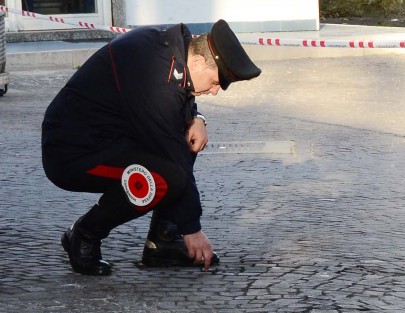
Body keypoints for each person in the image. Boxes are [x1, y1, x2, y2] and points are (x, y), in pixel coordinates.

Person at [41, 19, 261, 275]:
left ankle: (163, 242)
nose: (214, 92)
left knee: (185, 140)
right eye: (215, 82)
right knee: (161, 179)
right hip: (72, 150)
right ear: (200, 62)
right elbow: (170, 148)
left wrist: (197, 118)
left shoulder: (176, 50)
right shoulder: (158, 73)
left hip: (108, 138)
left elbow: (175, 105)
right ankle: (84, 235)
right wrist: (193, 229)